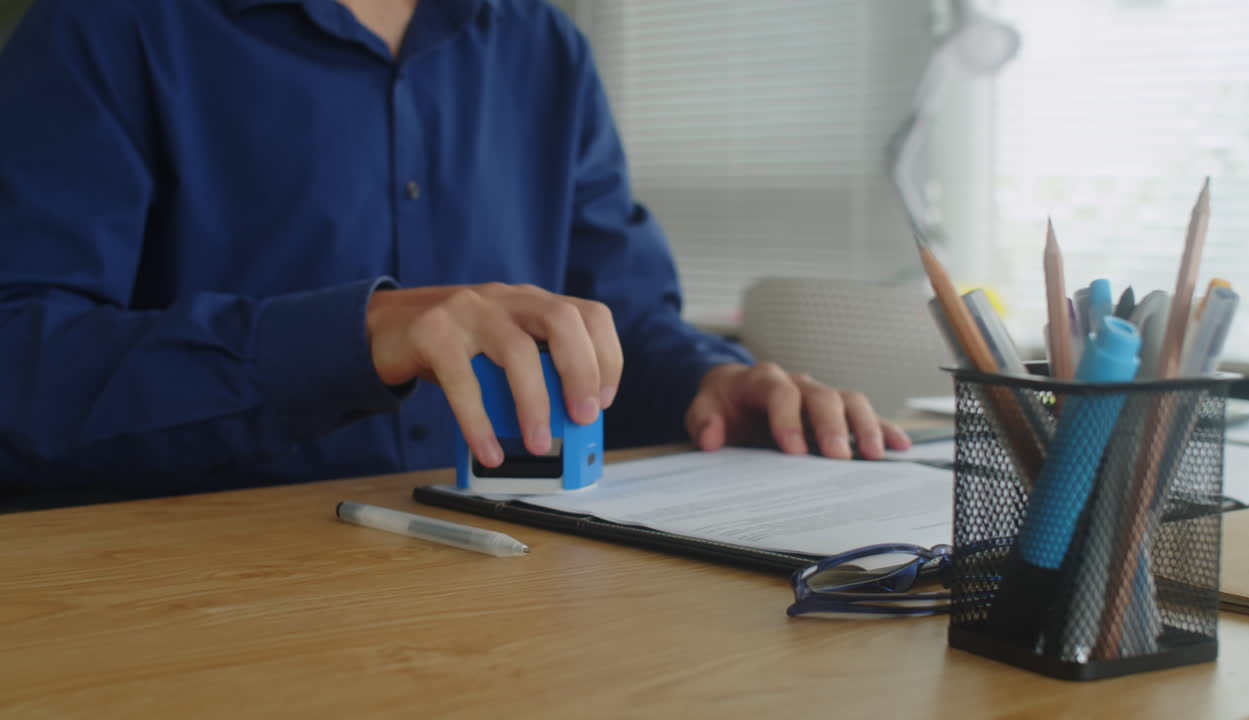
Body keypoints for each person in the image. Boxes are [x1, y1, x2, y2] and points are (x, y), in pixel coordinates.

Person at [0, 0, 909, 500]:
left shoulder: (545, 46)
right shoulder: (100, 28)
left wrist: (714, 381)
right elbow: (21, 366)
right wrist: (348, 337)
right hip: (190, 601)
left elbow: (619, 316)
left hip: (516, 593)